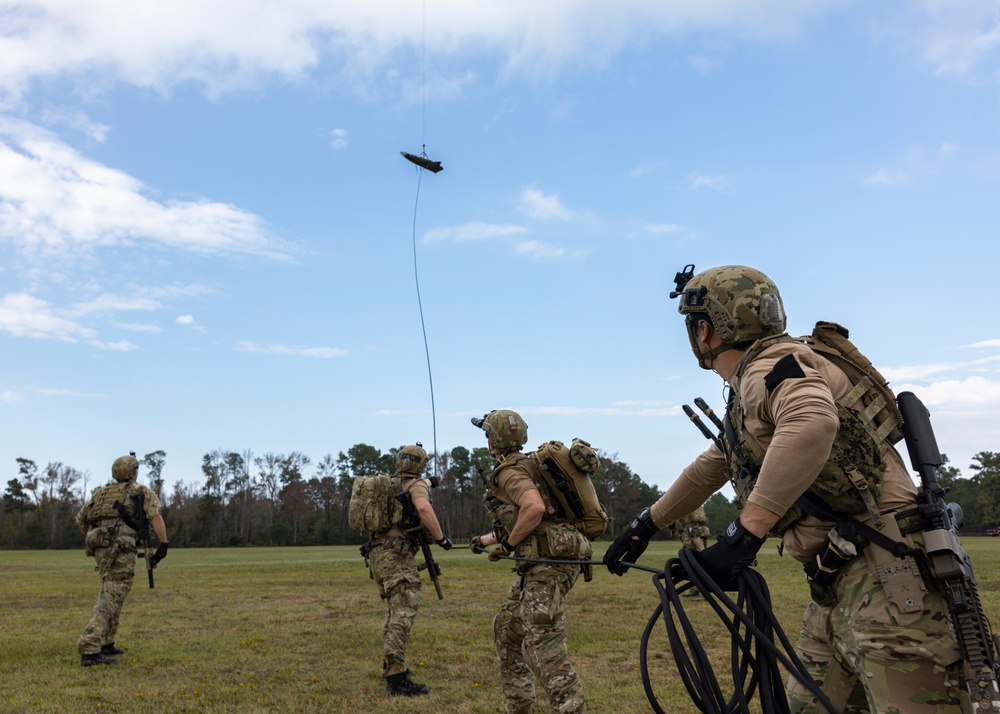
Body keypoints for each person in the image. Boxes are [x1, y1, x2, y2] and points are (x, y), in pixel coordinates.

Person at [603, 265, 965, 713]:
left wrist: (745, 534)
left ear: (705, 331)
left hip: (888, 587)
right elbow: (712, 467)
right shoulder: (760, 381)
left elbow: (812, 420)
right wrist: (644, 525)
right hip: (842, 584)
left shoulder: (770, 368)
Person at [470, 410, 589, 714]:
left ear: (492, 440)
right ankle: (519, 706)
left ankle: (571, 707)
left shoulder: (510, 472)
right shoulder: (531, 466)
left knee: (542, 643)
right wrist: (486, 541)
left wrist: (508, 546)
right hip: (549, 559)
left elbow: (533, 509)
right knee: (507, 630)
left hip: (546, 565)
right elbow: (529, 519)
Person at [365, 444, 452, 697]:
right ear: (420, 465)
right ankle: (396, 680)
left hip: (378, 554)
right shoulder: (415, 486)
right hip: (396, 553)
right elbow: (423, 508)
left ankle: (393, 664)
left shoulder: (391, 483)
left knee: (395, 610)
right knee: (404, 610)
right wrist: (441, 538)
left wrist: (426, 482)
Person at [76, 453, 169, 666]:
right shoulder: (140, 491)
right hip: (121, 549)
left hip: (102, 549)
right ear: (133, 472)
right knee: (112, 594)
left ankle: (107, 642)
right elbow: (155, 516)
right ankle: (89, 648)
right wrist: (164, 545)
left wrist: (96, 540)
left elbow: (81, 519)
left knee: (112, 591)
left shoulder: (102, 493)